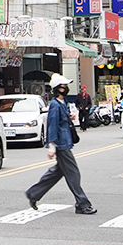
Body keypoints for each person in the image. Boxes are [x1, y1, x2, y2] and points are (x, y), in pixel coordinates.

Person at [26, 74, 96, 215]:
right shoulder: (55, 105)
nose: (66, 88)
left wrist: (69, 118)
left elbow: (60, 122)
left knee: (57, 172)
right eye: (64, 86)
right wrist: (52, 146)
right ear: (57, 89)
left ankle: (34, 193)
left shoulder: (62, 103)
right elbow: (52, 126)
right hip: (61, 145)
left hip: (65, 142)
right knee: (73, 174)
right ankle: (82, 204)